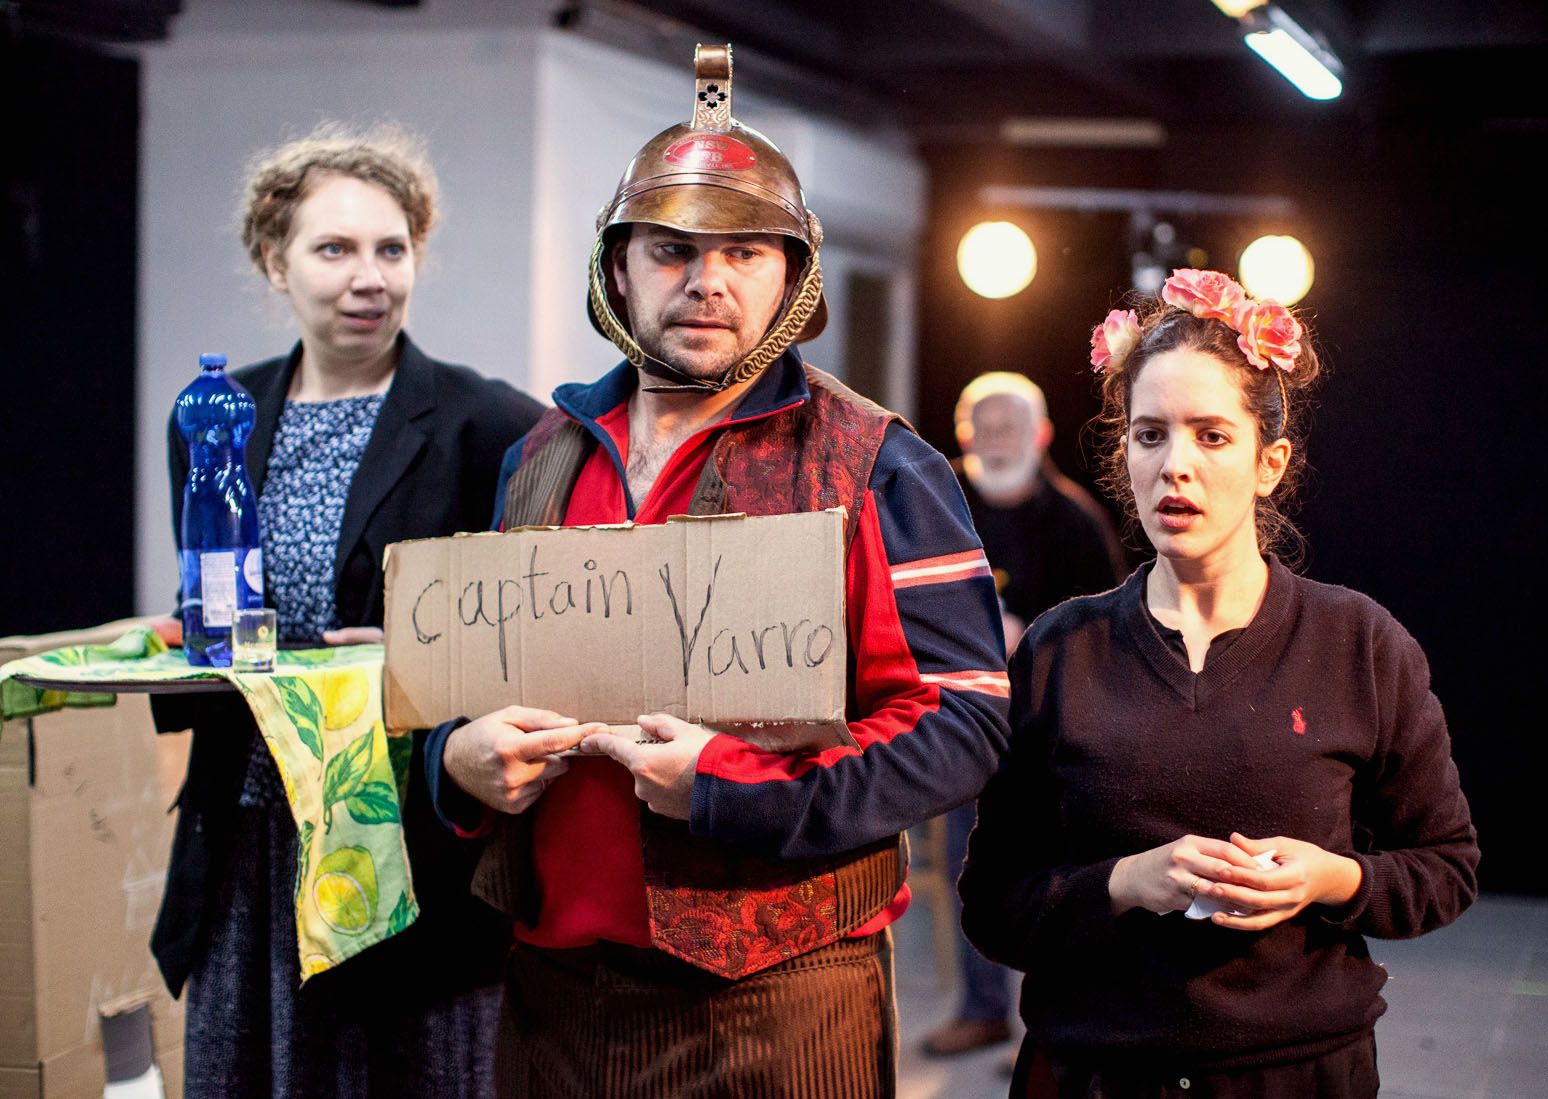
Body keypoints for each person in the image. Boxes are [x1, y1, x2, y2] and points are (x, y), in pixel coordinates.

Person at [423, 45, 1012, 1098]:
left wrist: (736, 792)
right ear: (617, 267)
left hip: (778, 1003)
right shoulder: (540, 455)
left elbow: (964, 723)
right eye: (671, 250)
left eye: (744, 251)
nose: (707, 282)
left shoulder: (877, 463)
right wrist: (452, 760)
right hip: (550, 992)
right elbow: (473, 682)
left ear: (793, 274)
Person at [959, 269, 1479, 1098]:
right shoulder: (1061, 651)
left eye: (1211, 436)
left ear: (1269, 463)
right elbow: (993, 906)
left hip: (1298, 1076)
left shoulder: (1358, 644)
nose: (1176, 466)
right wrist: (1128, 882)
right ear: (1123, 453)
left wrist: (1330, 877)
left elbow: (1445, 868)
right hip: (1095, 1073)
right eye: (1150, 435)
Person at [151, 123, 545, 1098]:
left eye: (391, 249)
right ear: (272, 261)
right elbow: (215, 595)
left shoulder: (491, 424)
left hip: (402, 851)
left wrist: (423, 652)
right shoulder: (215, 416)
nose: (370, 278)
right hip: (248, 836)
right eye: (334, 249)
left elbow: (543, 632)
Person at [921, 372, 1125, 1058]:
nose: (996, 440)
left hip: (1049, 728)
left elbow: (1110, 633)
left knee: (1054, 876)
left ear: (1041, 436)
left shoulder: (1076, 523)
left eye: (1009, 427)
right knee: (965, 870)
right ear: (963, 435)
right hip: (955, 720)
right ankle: (982, 1010)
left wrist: (1027, 635)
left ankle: (1051, 1022)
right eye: (982, 427)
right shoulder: (936, 504)